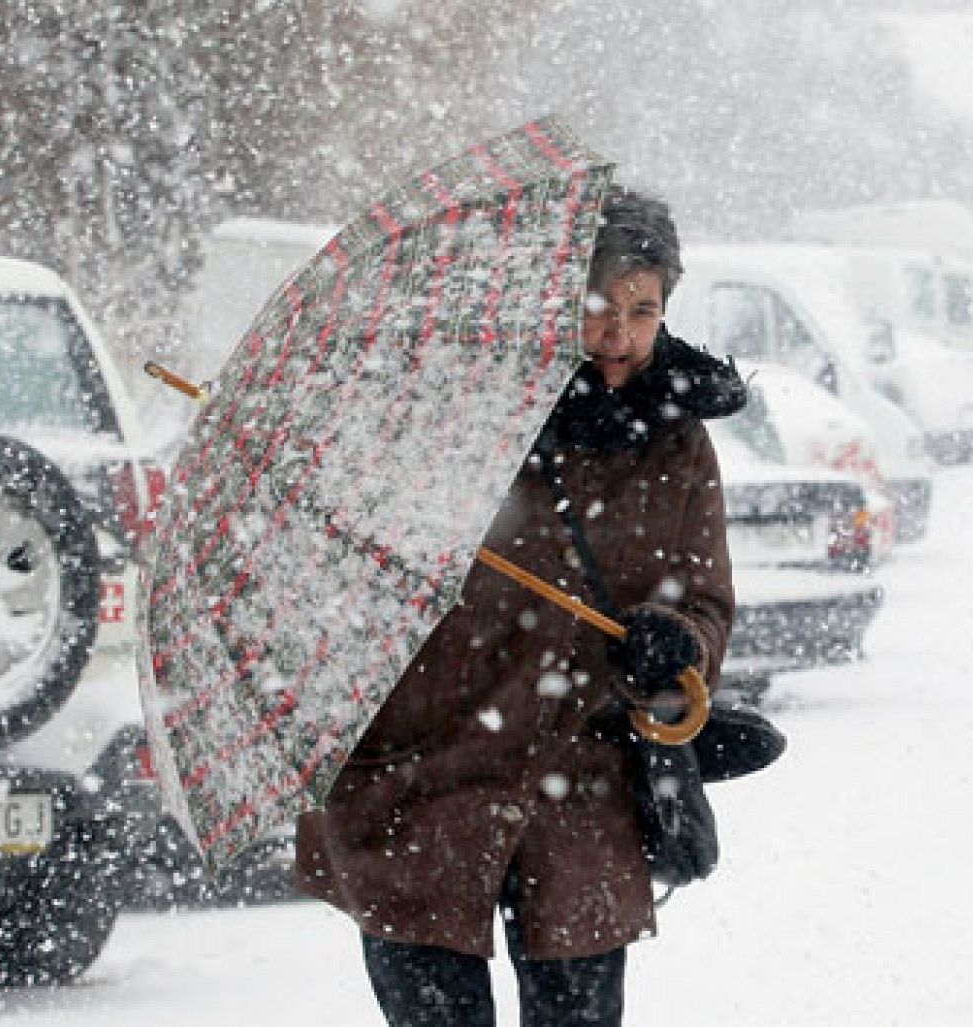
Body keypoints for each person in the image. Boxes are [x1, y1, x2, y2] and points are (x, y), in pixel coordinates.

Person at [293, 187, 746, 1026]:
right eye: (599, 308)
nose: (620, 336)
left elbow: (708, 600)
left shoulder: (678, 437)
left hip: (580, 789)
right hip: (423, 781)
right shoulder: (450, 411)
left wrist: (674, 645)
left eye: (643, 311)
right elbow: (352, 580)